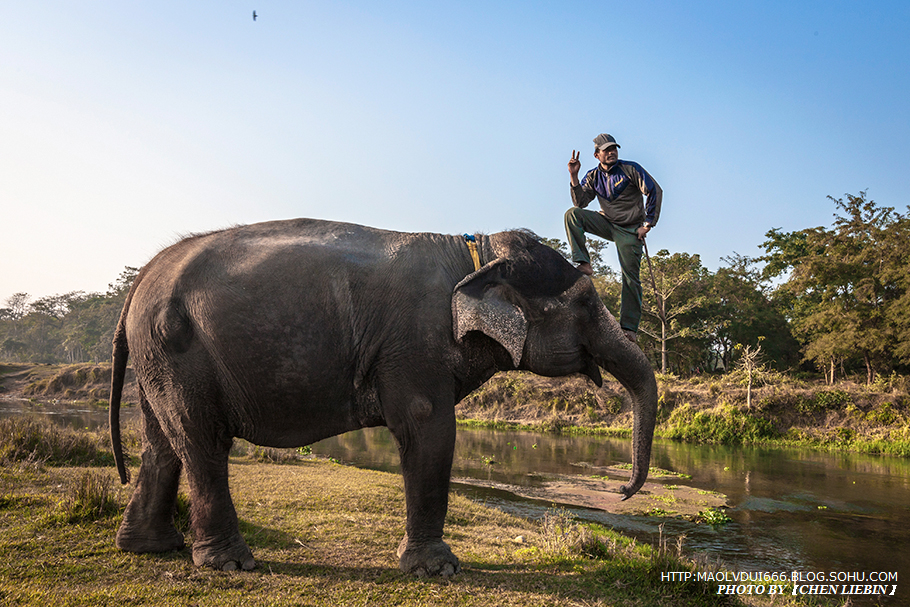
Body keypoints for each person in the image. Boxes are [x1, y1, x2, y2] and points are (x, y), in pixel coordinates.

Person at [564, 133, 662, 343]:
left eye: (613, 149)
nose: (611, 153)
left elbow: (654, 191)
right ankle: (583, 262)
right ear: (596, 154)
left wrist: (648, 224)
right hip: (607, 223)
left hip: (630, 229)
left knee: (630, 278)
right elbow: (581, 203)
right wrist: (573, 176)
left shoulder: (630, 169)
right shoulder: (592, 176)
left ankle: (629, 328)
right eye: (606, 150)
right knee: (572, 215)